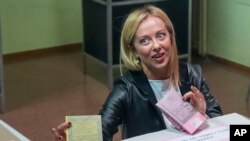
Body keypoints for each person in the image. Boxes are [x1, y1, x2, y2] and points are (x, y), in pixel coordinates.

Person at [52, 5, 223, 141]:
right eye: (145, 40)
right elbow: (103, 129)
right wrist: (74, 138)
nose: (156, 45)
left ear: (170, 37)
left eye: (161, 35)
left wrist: (202, 115)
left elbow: (221, 121)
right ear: (133, 50)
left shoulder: (192, 73)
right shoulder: (127, 88)